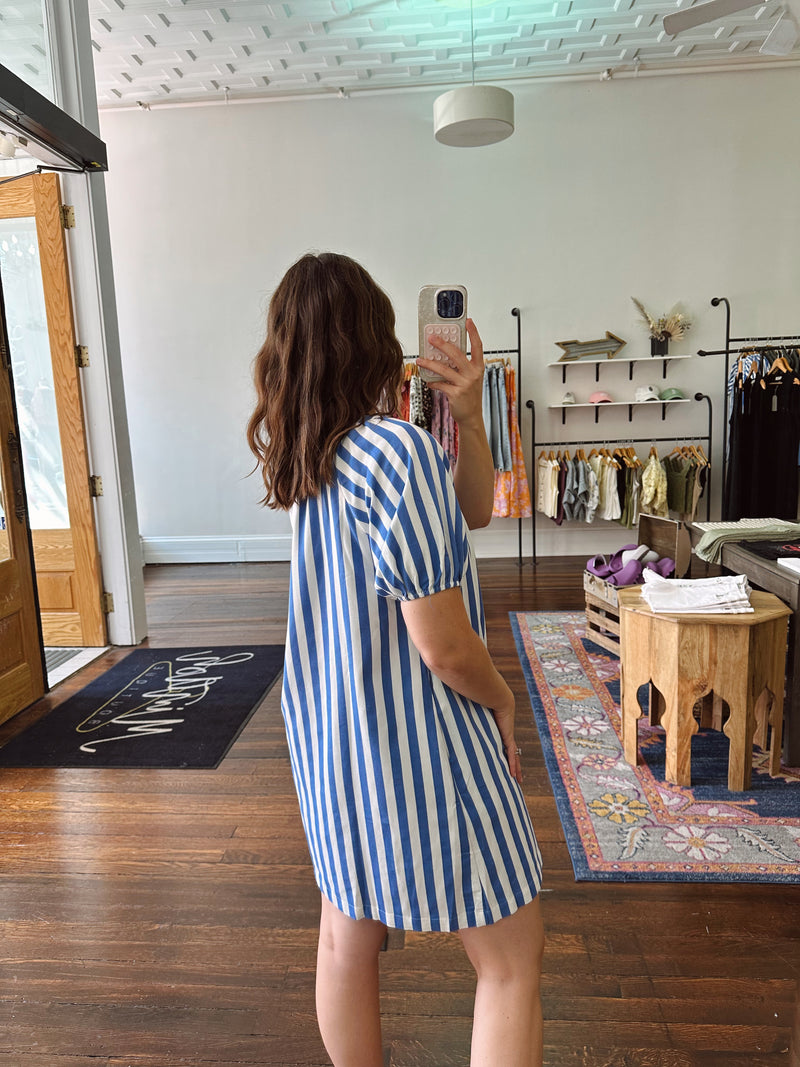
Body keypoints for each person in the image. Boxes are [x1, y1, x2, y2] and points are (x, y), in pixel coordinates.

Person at [247, 252, 544, 1067]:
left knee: (347, 929)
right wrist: (504, 700)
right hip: (417, 740)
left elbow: (476, 509)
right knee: (512, 956)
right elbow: (444, 645)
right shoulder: (396, 453)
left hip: (330, 735)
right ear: (376, 340)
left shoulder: (311, 460)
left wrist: (472, 414)